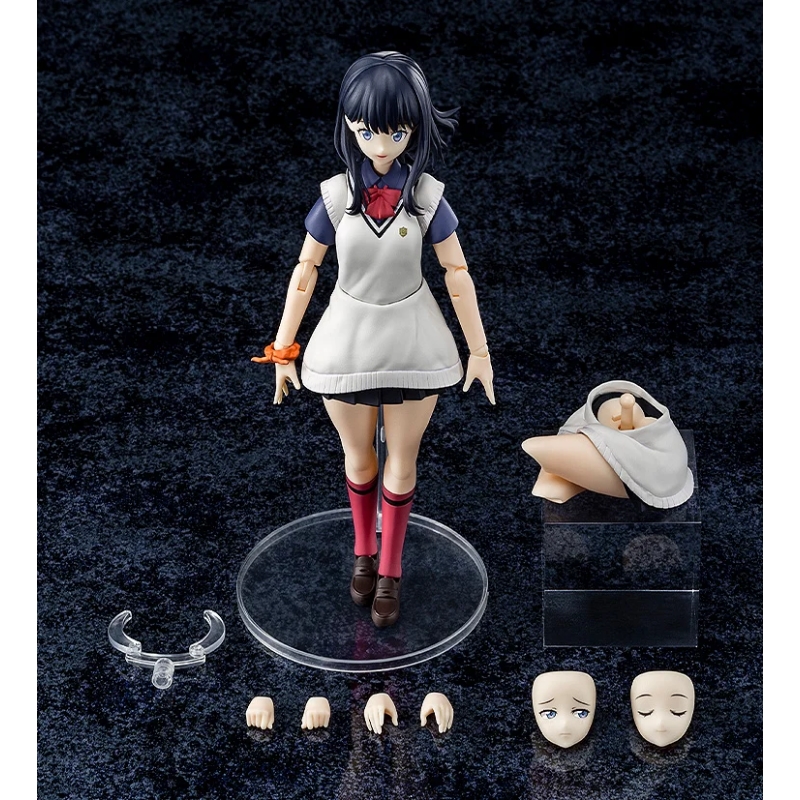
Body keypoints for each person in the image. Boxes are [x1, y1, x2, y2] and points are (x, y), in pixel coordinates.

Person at [253, 51, 494, 627]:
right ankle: (363, 553)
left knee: (402, 460)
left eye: (396, 131)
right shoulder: (336, 197)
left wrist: (480, 351)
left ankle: (391, 569)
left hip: (414, 338)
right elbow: (305, 272)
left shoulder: (427, 197)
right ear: (349, 126)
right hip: (346, 339)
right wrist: (283, 349)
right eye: (367, 131)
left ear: (415, 128)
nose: (381, 145)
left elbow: (457, 273)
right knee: (358, 456)